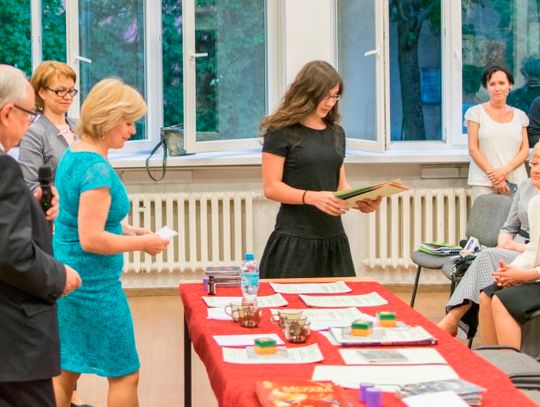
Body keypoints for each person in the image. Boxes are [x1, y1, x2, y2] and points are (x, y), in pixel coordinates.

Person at [51, 78, 170, 407]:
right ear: (107, 119)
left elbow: (80, 216)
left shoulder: (74, 154)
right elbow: (91, 238)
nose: (132, 130)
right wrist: (145, 245)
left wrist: (128, 230)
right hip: (94, 285)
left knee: (66, 367)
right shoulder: (97, 170)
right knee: (125, 372)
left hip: (69, 275)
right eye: (128, 122)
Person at [0, 65, 81, 406]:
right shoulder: (4, 168)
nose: (29, 122)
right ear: (7, 113)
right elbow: (11, 252)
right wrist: (59, 276)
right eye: (27, 114)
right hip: (13, 337)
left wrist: (30, 207)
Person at [258, 60, 381, 279]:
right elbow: (271, 188)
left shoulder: (337, 133)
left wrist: (359, 201)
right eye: (325, 96)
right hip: (294, 240)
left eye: (335, 96)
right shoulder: (280, 131)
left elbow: (340, 186)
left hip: (333, 238)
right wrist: (312, 197)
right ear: (307, 93)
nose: (330, 103)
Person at [437, 142, 540, 337]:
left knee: (487, 256)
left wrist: (516, 253)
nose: (536, 169)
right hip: (517, 248)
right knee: (487, 285)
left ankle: (454, 317)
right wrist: (505, 242)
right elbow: (509, 226)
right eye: (534, 164)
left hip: (525, 251)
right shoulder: (528, 190)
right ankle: (462, 325)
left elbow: (534, 250)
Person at [478, 183, 540, 349]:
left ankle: (511, 364)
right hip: (536, 276)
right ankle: (491, 361)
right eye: (533, 167)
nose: (536, 171)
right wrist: (511, 272)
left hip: (536, 276)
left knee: (502, 300)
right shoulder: (535, 203)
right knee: (486, 296)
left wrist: (525, 276)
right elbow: (533, 251)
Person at [466, 65, 529, 201]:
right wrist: (496, 177)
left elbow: (524, 151)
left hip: (515, 181)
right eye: (492, 84)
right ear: (486, 86)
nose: (497, 88)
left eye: (501, 83)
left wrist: (504, 171)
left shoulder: (520, 116)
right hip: (484, 182)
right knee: (484, 215)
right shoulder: (475, 113)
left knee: (516, 215)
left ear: (510, 85)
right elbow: (473, 149)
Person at [18, 61, 78, 191]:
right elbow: (31, 186)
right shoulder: (33, 134)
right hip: (57, 204)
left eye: (71, 90)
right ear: (42, 92)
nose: (68, 97)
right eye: (60, 91)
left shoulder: (80, 127)